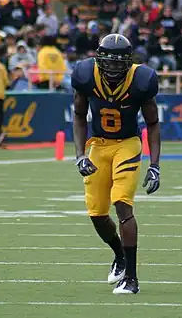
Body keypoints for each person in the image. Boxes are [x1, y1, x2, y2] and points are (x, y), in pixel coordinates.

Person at [71, 34, 161, 294]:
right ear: (98, 59)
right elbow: (78, 115)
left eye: (117, 62)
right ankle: (120, 256)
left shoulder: (141, 80)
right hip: (98, 144)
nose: (111, 68)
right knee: (98, 214)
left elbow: (153, 123)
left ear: (129, 62)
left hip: (127, 143)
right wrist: (79, 155)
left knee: (122, 203)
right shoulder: (86, 75)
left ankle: (131, 279)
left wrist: (155, 165)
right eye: (107, 62)